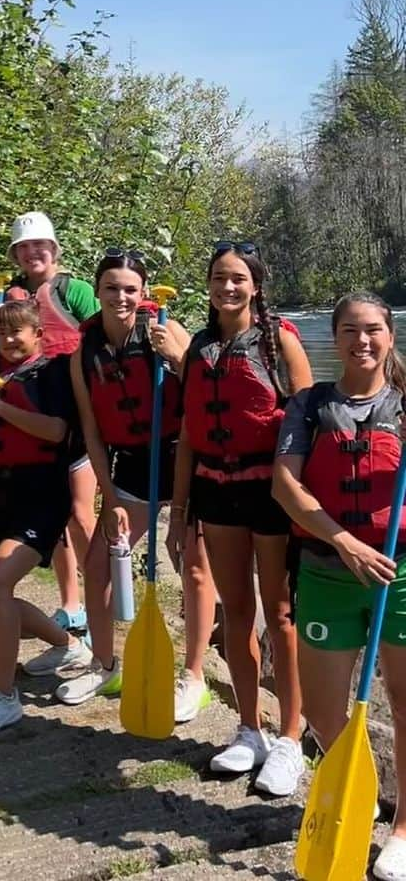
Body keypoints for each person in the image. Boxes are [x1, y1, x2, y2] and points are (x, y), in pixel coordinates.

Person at [49, 250, 217, 716]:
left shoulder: (164, 328)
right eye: (111, 288)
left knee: (194, 566)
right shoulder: (83, 353)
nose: (120, 297)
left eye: (129, 289)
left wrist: (178, 359)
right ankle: (106, 665)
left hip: (183, 458)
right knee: (98, 564)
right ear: (97, 291)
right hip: (130, 466)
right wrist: (107, 496)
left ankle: (194, 676)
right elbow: (92, 430)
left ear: (143, 293)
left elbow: (206, 390)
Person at [273, 294, 406, 880]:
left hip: (400, 575)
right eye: (350, 330)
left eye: (373, 329)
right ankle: (360, 788)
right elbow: (286, 488)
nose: (362, 341)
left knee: (405, 703)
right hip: (328, 568)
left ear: (390, 336)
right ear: (334, 338)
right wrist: (345, 542)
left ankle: (403, 830)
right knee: (325, 712)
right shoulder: (308, 405)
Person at [172, 241, 312, 796]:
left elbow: (308, 424)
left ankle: (291, 737)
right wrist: (178, 512)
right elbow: (186, 436)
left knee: (280, 616)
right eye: (218, 278)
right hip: (215, 492)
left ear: (255, 284)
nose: (227, 288)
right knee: (235, 614)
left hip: (270, 493)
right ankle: (249, 728)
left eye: (237, 279)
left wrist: (305, 502)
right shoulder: (199, 348)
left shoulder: (279, 341)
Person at [0, 300, 90, 736]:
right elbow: (0, 434)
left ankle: (4, 696)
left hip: (41, 496)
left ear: (38, 334)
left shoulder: (50, 374)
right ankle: (68, 646)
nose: (10, 340)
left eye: (18, 332)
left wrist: (0, 409)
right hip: (2, 495)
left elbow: (55, 431)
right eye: (1, 333)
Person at [0, 211, 98, 639]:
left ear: (53, 248)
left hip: (74, 412)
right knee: (57, 520)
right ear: (16, 254)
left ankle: (99, 597)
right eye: (24, 248)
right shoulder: (10, 301)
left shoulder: (74, 290)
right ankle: (71, 604)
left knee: (80, 516)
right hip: (34, 413)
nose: (32, 253)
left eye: (39, 245)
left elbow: (97, 341)